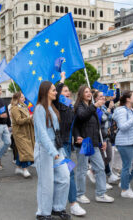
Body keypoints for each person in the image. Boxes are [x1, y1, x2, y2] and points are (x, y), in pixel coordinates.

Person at [34, 81, 70, 220]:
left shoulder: (52, 108)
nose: (56, 92)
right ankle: (43, 213)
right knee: (46, 183)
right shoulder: (39, 109)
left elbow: (56, 132)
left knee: (64, 177)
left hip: (57, 149)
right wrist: (53, 152)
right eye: (54, 90)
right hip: (45, 151)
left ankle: (58, 207)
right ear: (46, 92)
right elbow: (42, 134)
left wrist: (60, 151)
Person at [53, 72, 86, 216]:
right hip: (59, 146)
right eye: (65, 91)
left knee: (62, 175)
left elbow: (75, 125)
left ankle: (56, 204)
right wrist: (61, 80)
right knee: (69, 174)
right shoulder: (57, 105)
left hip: (67, 144)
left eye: (69, 91)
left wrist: (77, 136)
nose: (69, 93)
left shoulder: (69, 107)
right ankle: (73, 203)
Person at [73, 85, 114, 203]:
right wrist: (94, 106)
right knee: (82, 169)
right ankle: (79, 194)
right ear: (81, 94)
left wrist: (102, 141)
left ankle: (100, 194)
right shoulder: (79, 107)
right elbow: (82, 117)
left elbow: (97, 125)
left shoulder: (92, 107)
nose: (88, 93)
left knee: (100, 167)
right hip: (85, 142)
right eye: (86, 92)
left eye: (89, 92)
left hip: (95, 142)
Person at [113, 90, 133, 199]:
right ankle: (125, 190)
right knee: (127, 166)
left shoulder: (131, 110)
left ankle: (124, 183)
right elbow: (122, 127)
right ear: (128, 99)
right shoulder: (121, 110)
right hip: (124, 142)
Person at [10, 92, 34, 178]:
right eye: (22, 97)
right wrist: (29, 118)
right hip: (19, 133)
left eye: (24, 97)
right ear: (17, 99)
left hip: (26, 131)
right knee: (25, 151)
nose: (24, 99)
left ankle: (18, 167)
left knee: (22, 150)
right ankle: (25, 169)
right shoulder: (15, 108)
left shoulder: (24, 106)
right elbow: (19, 121)